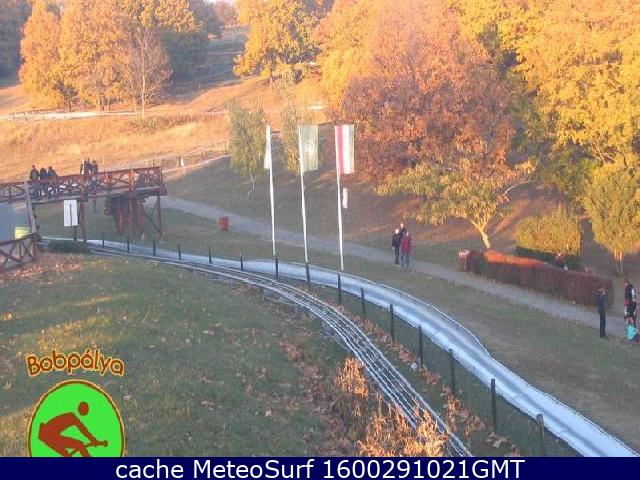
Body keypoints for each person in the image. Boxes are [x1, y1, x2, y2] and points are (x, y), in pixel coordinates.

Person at [38, 401, 107, 457]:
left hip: (48, 436)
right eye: (84, 410)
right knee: (79, 445)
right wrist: (94, 440)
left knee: (71, 451)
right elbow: (83, 430)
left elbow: (83, 429)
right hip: (48, 436)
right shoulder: (71, 417)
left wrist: (94, 440)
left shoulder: (70, 416)